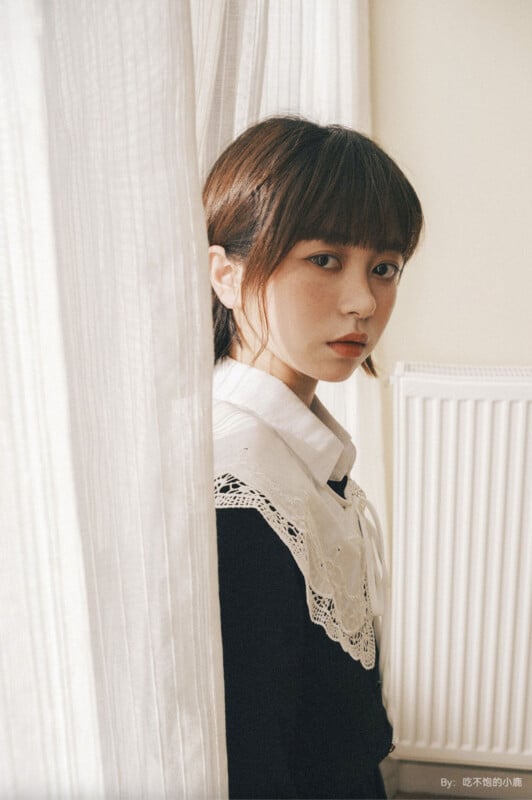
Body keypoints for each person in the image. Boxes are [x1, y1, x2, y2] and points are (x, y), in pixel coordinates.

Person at [204, 116, 423, 800]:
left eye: (383, 268)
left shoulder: (302, 451)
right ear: (227, 275)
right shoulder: (237, 485)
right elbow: (253, 763)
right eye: (324, 259)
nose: (364, 302)